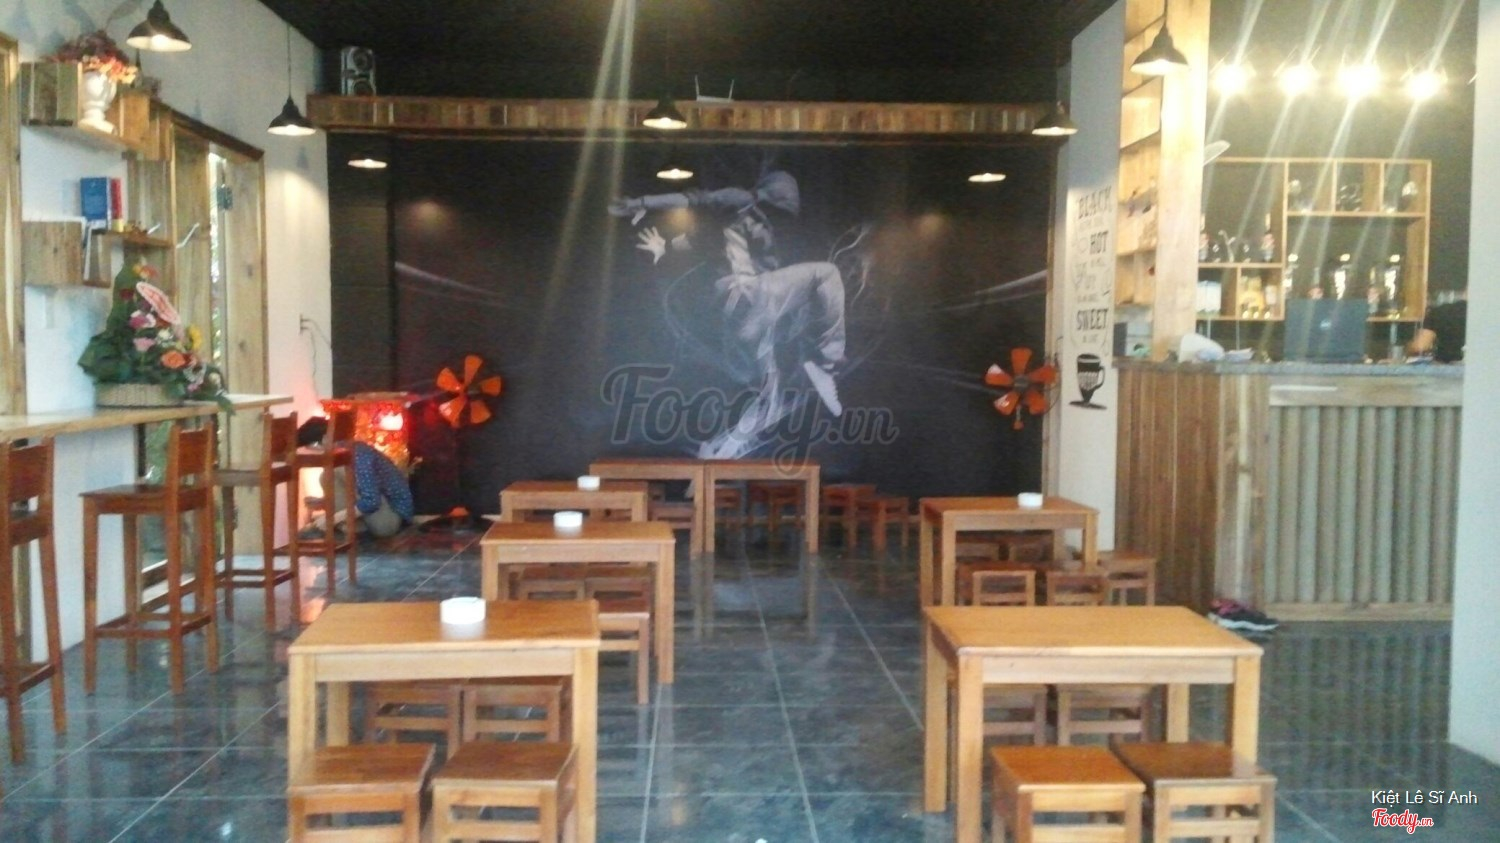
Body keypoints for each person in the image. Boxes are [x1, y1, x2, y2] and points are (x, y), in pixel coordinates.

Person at [609, 169, 847, 457]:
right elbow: (694, 199)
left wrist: (664, 250)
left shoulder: (750, 229)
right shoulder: (742, 201)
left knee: (768, 396)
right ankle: (827, 363)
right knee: (826, 274)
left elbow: (691, 245)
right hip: (745, 294)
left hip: (748, 319)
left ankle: (719, 453)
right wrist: (640, 203)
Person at [296, 417, 414, 539]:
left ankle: (337, 526)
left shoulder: (358, 454)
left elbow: (372, 501)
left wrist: (332, 520)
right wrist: (324, 502)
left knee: (332, 474)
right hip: (374, 515)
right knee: (327, 476)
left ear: (325, 439)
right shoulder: (344, 452)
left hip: (393, 517)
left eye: (312, 448)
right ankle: (348, 527)